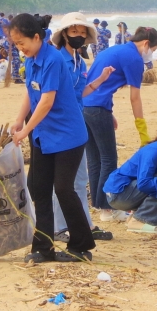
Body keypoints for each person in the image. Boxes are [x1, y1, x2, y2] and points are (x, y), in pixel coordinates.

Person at [9, 13, 96, 263]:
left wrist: (25, 131)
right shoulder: (32, 59)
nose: (20, 48)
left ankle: (81, 245)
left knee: (64, 189)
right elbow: (30, 93)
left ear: (37, 37)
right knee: (39, 188)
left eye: (22, 42)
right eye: (16, 44)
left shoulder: (53, 60)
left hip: (68, 135)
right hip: (44, 136)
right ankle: (43, 247)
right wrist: (19, 120)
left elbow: (46, 101)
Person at [82, 26, 157, 222]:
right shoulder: (134, 58)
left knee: (94, 159)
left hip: (85, 105)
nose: (150, 54)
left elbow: (102, 83)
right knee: (108, 158)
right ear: (146, 44)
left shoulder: (114, 50)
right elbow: (135, 98)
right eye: (153, 49)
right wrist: (142, 130)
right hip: (98, 108)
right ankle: (108, 207)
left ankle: (99, 206)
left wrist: (109, 112)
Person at [48, 13, 110, 243]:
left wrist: (101, 79)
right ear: (64, 34)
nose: (79, 36)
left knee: (80, 177)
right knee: (63, 179)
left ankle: (83, 222)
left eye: (82, 33)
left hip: (76, 124)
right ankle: (58, 226)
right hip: (60, 125)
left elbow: (79, 93)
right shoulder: (57, 60)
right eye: (74, 32)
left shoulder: (79, 62)